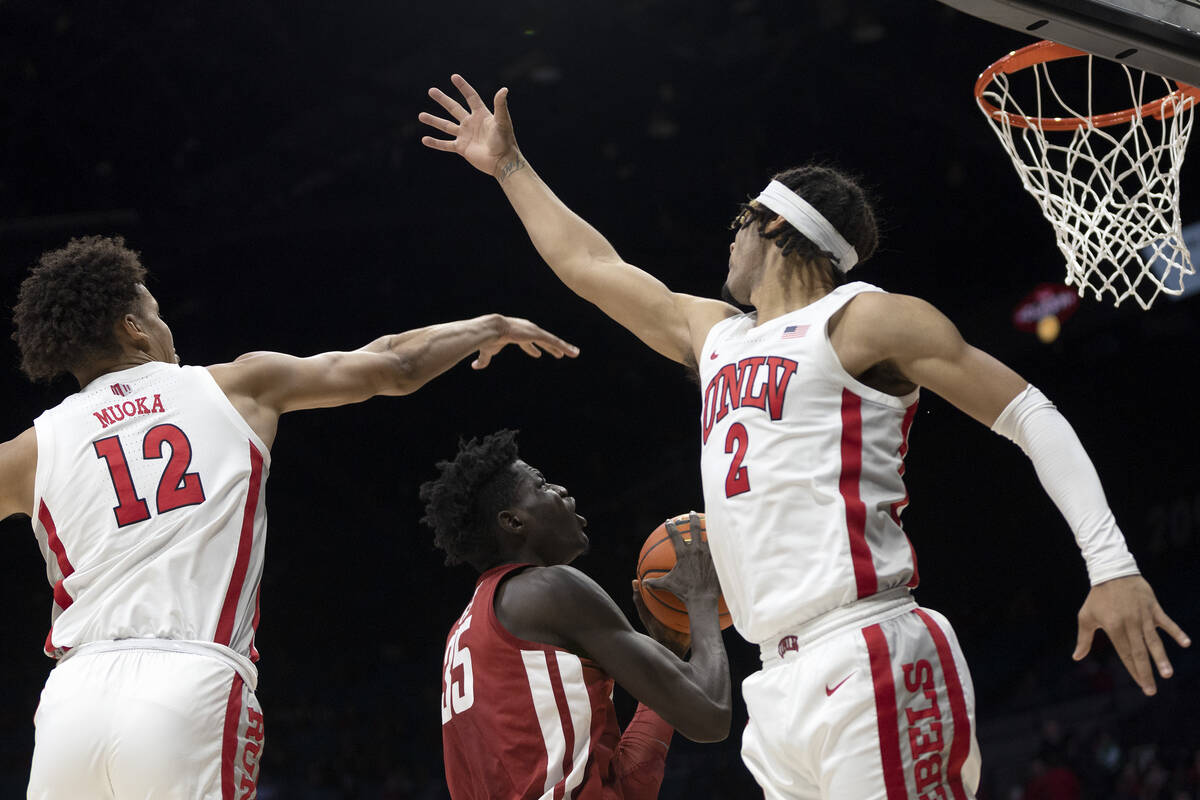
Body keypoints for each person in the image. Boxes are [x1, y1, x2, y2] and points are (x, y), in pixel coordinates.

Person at [417, 75, 1192, 799]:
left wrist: (1112, 566)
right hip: (774, 685)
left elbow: (1031, 414)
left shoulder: (866, 320)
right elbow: (591, 263)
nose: (728, 244)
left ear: (776, 227)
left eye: (737, 225)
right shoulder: (714, 334)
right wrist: (510, 165)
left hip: (866, 649)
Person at [0, 235, 579, 800]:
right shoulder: (235, 386)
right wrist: (491, 325)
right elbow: (393, 364)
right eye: (155, 312)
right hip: (186, 682)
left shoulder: (31, 449)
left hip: (71, 704)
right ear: (134, 329)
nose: (164, 326)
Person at [419, 429, 731, 799]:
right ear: (513, 522)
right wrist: (701, 598)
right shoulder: (549, 590)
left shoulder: (465, 631)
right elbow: (710, 713)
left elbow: (626, 782)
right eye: (541, 485)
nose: (561, 490)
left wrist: (668, 650)